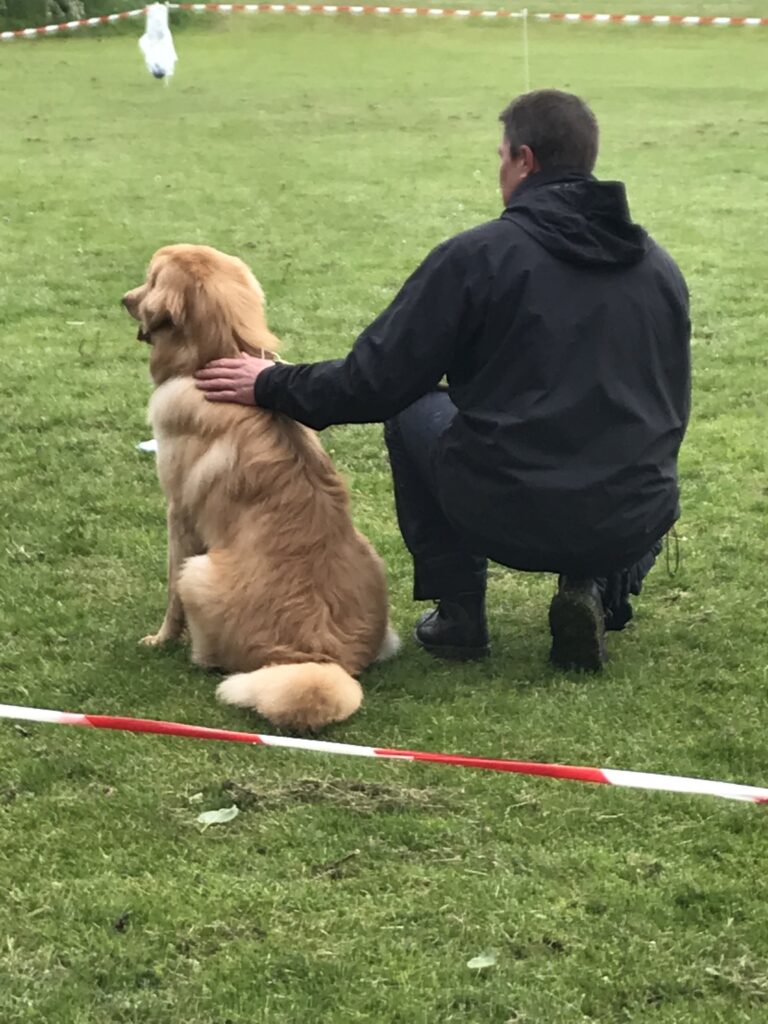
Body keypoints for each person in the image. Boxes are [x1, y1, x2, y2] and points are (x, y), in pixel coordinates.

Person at [195, 89, 691, 672]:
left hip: (508, 513)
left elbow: (374, 382)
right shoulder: (660, 270)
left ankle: (460, 613)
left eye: (501, 157)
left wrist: (269, 384)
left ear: (524, 161)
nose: (499, 170)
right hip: (630, 515)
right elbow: (671, 414)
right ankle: (602, 588)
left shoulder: (477, 257)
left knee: (412, 409)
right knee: (639, 448)